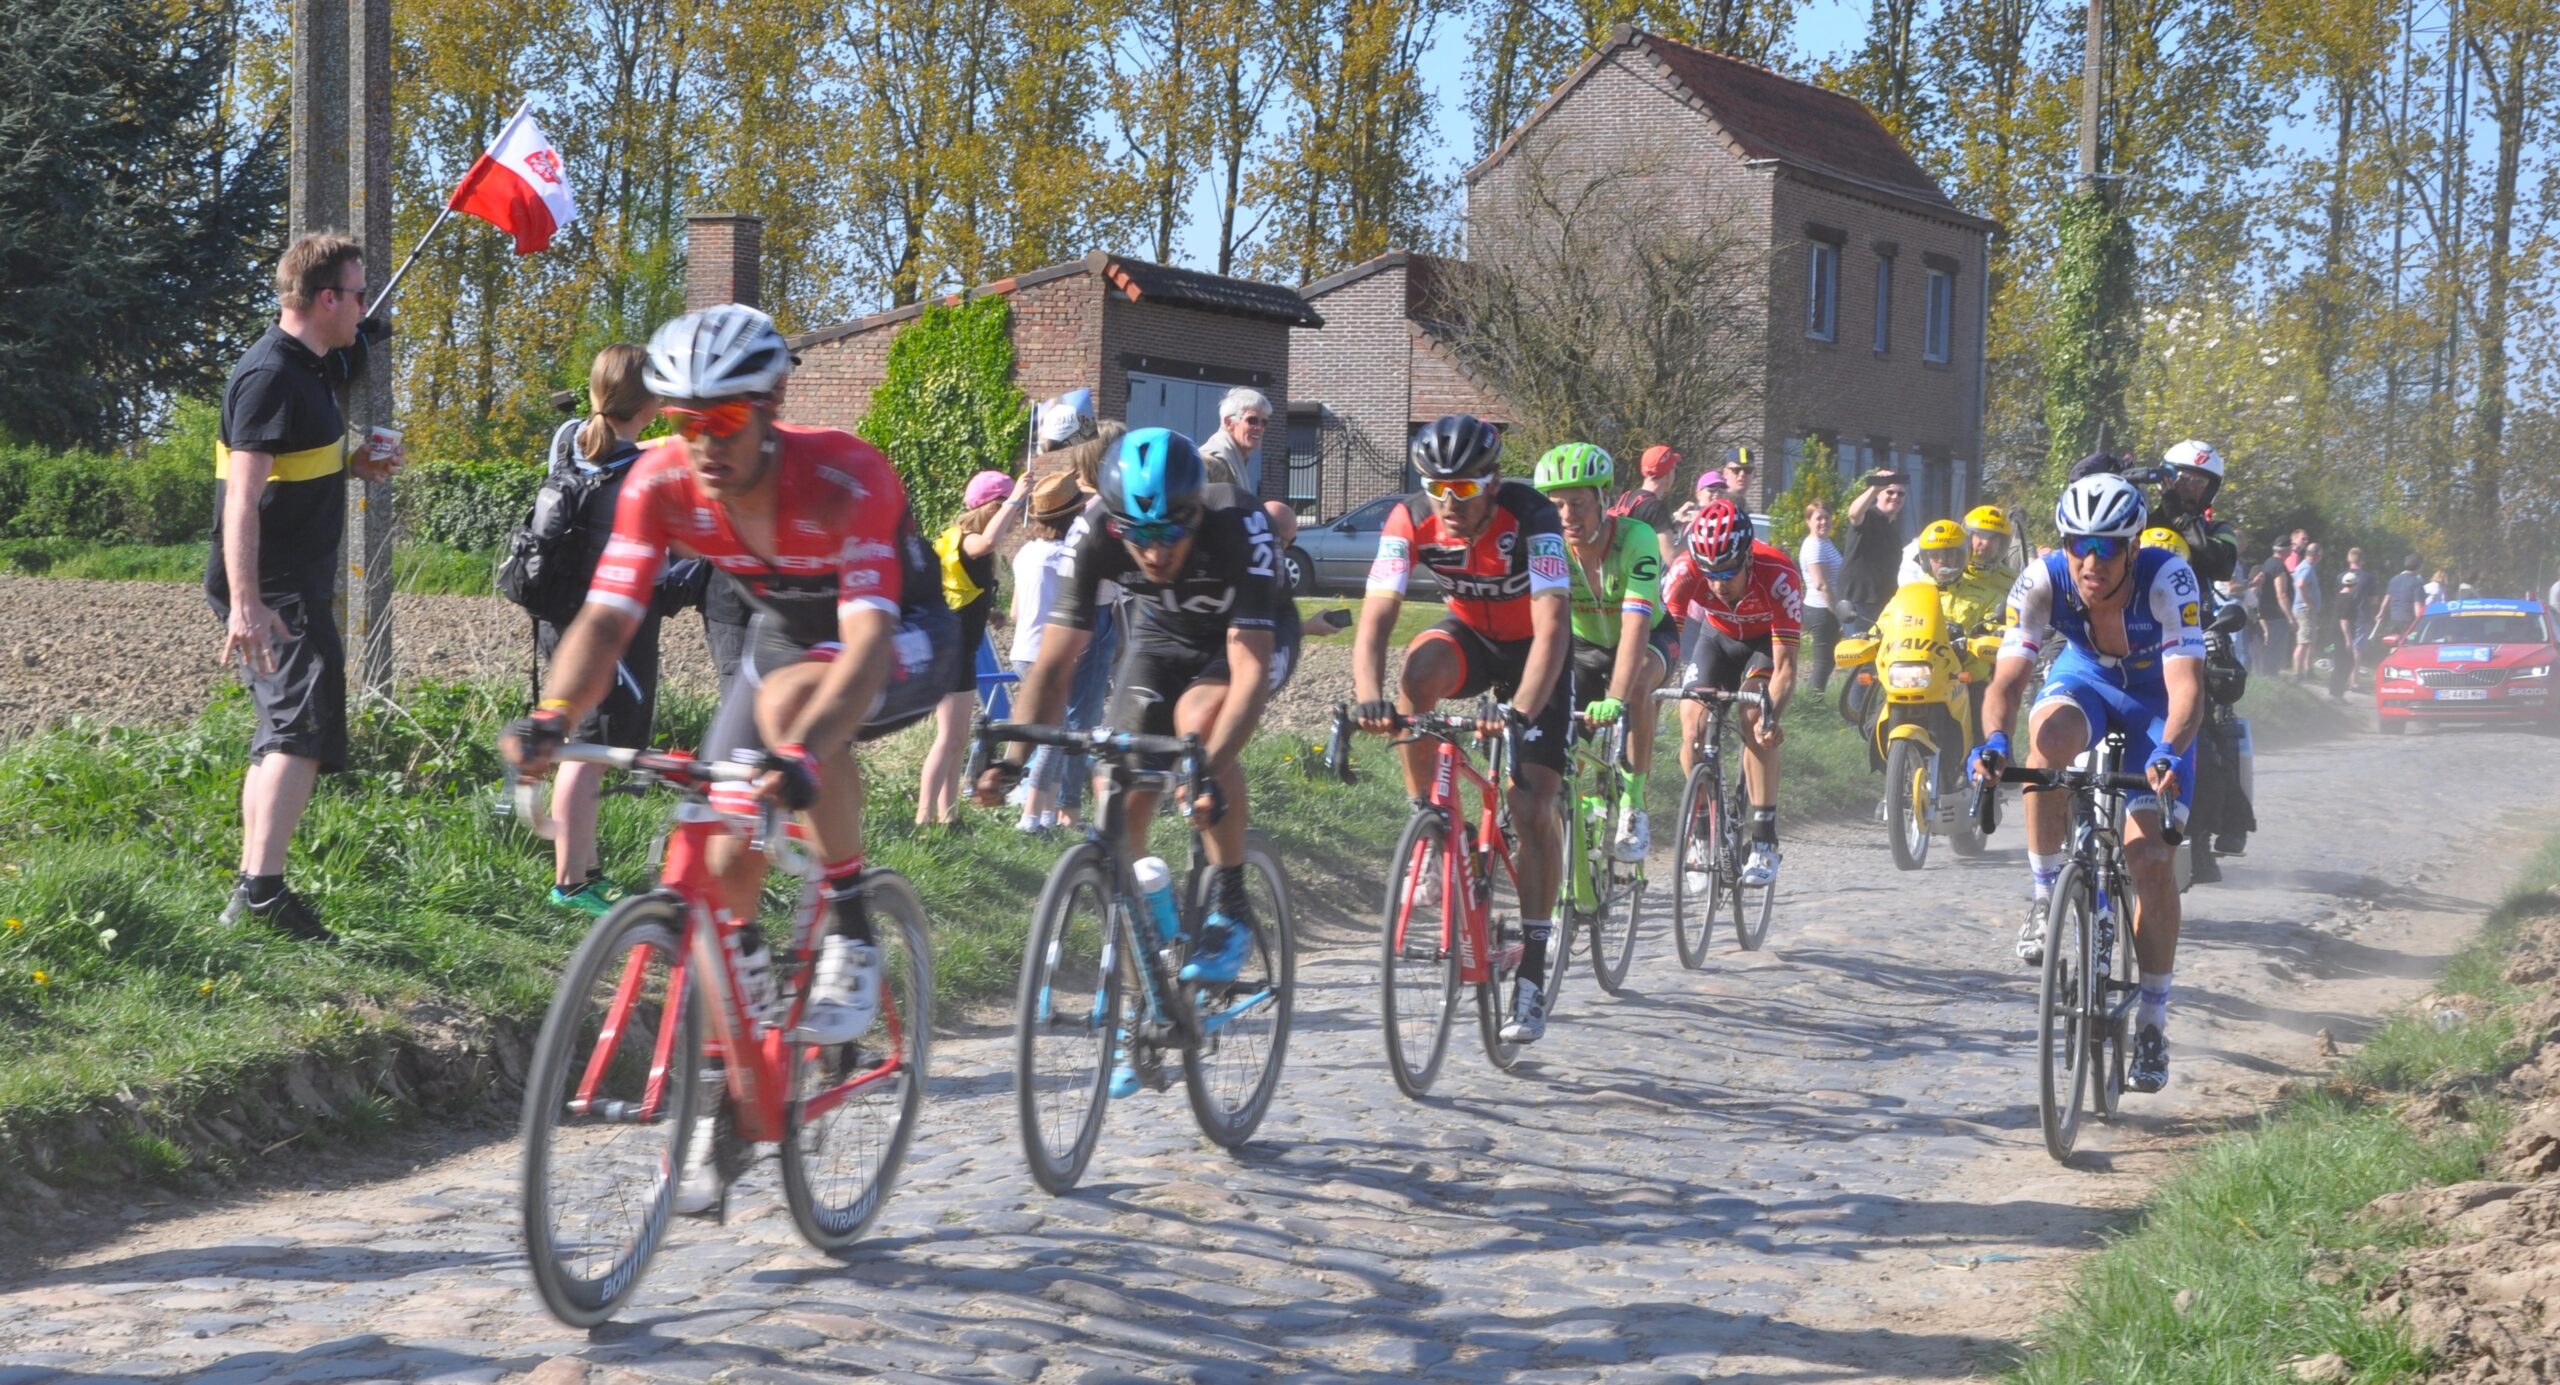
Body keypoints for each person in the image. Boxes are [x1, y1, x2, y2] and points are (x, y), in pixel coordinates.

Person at [503, 302, 953, 1064]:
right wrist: (553, 714)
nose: (704, 442)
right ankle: (732, 1079)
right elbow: (607, 619)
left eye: (728, 417)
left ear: (771, 408)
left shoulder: (845, 478)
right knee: (718, 850)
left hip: (898, 634)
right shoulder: (658, 482)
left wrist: (805, 756)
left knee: (794, 714)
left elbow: (867, 644)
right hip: (786, 636)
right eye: (684, 420)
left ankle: (850, 923)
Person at [979, 429, 1300, 1080]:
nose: (1152, 551)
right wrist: (1013, 759)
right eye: (1138, 535)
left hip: (1243, 640)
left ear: (1193, 515)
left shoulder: (1238, 525)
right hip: (1160, 638)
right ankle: (1147, 1004)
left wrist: (1205, 765)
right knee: (1119, 806)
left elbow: (1247, 672)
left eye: (1167, 535)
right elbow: (1054, 659)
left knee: (1197, 721)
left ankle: (1232, 901)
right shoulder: (1097, 527)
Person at [1972, 473, 2204, 1094]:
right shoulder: (2042, 579)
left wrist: (2167, 752)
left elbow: (2187, 692)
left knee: (2150, 856)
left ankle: (2153, 1018)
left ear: (2132, 548)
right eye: (2078, 543)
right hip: (2087, 680)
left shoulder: (2168, 579)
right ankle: (2047, 892)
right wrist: (1994, 740)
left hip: (2157, 697)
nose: (2090, 560)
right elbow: (2007, 682)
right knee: (2043, 746)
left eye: (2106, 547)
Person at [1350, 415, 1571, 1045]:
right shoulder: (1408, 519)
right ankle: (1431, 824)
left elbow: (1554, 629)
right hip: (1471, 637)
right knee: (1417, 675)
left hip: (1535, 653)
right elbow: (1377, 617)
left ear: (1493, 484)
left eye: (1465, 492)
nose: (1448, 505)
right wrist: (1370, 695)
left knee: (1531, 807)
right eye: (1436, 487)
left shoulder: (1532, 517)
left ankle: (1531, 965)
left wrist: (1521, 711)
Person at [210, 232, 401, 941]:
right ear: (326, 299)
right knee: (301, 726)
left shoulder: (309, 367)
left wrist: (355, 465)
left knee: (280, 732)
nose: (363, 306)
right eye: (356, 294)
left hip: (288, 581)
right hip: (275, 585)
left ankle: (251, 888)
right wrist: (248, 602)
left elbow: (293, 466)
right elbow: (241, 498)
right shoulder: (270, 377)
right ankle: (261, 892)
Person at [534, 344, 672, 915]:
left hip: (558, 613)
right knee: (586, 750)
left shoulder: (569, 440)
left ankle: (585, 868)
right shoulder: (640, 471)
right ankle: (570, 883)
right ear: (652, 400)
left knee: (578, 743)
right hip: (605, 620)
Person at [1533, 443, 1672, 861]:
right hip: (1586, 646)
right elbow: (1540, 625)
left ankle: (1633, 802)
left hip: (1650, 638)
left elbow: (1636, 625)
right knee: (1562, 725)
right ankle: (1583, 809)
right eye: (1556, 505)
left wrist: (1615, 696)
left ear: (1603, 499)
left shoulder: (1637, 538)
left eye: (1577, 503)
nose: (1566, 516)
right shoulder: (1549, 548)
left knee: (1635, 686)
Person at [1661, 500, 1802, 893]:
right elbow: (1663, 646)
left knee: (1752, 719)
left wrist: (1772, 717)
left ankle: (1763, 836)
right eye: (1710, 574)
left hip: (1763, 642)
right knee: (1691, 727)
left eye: (1727, 572)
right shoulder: (1685, 570)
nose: (1719, 583)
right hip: (1717, 639)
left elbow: (1787, 666)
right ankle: (1703, 829)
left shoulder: (1778, 575)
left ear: (1747, 559)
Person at [916, 469, 1033, 826]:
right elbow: (987, 542)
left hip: (958, 649)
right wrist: (1015, 500)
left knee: (958, 738)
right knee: (948, 737)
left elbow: (958, 595)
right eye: (1010, 512)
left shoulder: (964, 544)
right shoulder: (969, 540)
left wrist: (990, 612)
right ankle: (923, 818)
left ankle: (947, 815)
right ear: (991, 508)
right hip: (950, 653)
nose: (1014, 521)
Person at [1005, 470, 1086, 833]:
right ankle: (1031, 816)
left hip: (1022, 647)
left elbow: (1015, 612)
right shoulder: (1066, 557)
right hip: (1047, 653)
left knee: (1047, 729)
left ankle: (1045, 811)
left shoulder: (1025, 554)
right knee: (1054, 736)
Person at [1836, 468, 1909, 629]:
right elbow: (1854, 514)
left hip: (1884, 603)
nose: (1895, 497)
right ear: (1879, 495)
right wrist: (1875, 487)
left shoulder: (1893, 528)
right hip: (1858, 602)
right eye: (1889, 492)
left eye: (1900, 494)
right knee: (1858, 650)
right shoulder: (1868, 516)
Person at [1797, 501, 1844, 692]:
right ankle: (1811, 706)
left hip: (1827, 609)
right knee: (1823, 662)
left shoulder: (1824, 542)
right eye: (1818, 518)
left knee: (1827, 661)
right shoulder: (1814, 546)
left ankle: (1816, 700)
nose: (1824, 522)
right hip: (1821, 609)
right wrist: (1840, 614)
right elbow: (1821, 584)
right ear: (1808, 521)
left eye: (1827, 517)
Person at [1610, 444, 1682, 568]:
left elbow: (1648, 529)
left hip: (1617, 573)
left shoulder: (1629, 497)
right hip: (1640, 581)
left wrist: (1675, 523)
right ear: (1668, 475)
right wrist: (1691, 535)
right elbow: (1672, 559)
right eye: (1674, 469)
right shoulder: (1656, 508)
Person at [2331, 547, 2371, 700]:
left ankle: (2336, 692)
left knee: (2342, 661)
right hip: (2345, 630)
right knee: (2348, 660)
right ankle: (2342, 690)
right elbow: (2344, 620)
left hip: (2336, 631)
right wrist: (2348, 639)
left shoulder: (2341, 589)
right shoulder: (2350, 598)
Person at [2251, 539, 2295, 671]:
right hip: (2276, 615)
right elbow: (2281, 594)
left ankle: (2267, 678)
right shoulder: (2279, 567)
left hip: (2265, 612)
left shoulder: (2268, 563)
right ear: (2287, 550)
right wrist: (2290, 618)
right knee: (2275, 652)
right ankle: (2271, 679)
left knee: (2268, 648)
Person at [2291, 541, 2324, 680]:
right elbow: (2301, 584)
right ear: (2317, 555)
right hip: (2305, 610)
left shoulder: (2305, 567)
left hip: (2303, 609)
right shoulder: (2307, 568)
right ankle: (2298, 674)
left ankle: (2308, 670)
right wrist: (2309, 603)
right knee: (2303, 642)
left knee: (2309, 641)